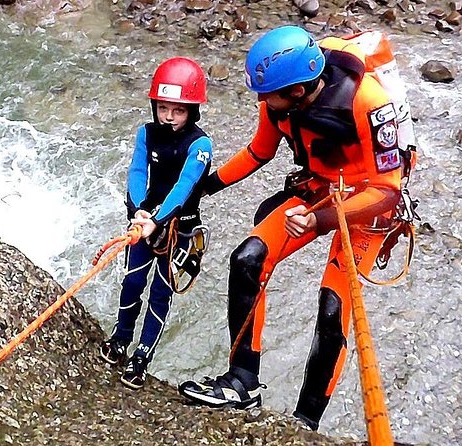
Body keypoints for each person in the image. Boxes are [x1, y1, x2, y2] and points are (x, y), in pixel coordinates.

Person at [178, 25, 412, 430]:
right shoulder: (277, 100)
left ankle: (305, 422)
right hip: (319, 188)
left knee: (332, 307)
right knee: (247, 259)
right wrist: (207, 187)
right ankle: (242, 380)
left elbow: (388, 190)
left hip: (367, 206)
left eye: (268, 95)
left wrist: (317, 219)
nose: (261, 102)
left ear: (300, 90)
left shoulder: (369, 103)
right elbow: (260, 151)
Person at [99, 57, 213, 391]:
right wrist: (138, 211)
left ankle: (142, 356)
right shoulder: (146, 133)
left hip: (180, 230)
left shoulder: (200, 145)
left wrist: (159, 220)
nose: (169, 117)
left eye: (178, 111)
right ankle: (121, 338)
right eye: (163, 108)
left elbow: (185, 186)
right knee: (132, 283)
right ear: (155, 105)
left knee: (160, 295)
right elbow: (137, 173)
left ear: (192, 111)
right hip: (146, 220)